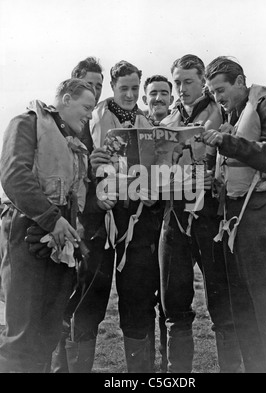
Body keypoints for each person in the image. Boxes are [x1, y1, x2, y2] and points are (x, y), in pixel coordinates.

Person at [203, 56, 266, 373]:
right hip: (236, 219)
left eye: (221, 89)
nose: (218, 98)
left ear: (241, 82)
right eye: (214, 93)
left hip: (263, 214)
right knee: (244, 312)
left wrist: (229, 143)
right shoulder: (231, 115)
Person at [0, 78, 96, 373]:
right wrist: (51, 219)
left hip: (59, 243)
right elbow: (14, 175)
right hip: (27, 233)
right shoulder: (27, 123)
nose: (90, 115)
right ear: (66, 99)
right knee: (23, 334)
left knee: (48, 331)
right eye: (86, 107)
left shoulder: (73, 142)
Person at [159, 54, 242, 373]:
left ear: (203, 81)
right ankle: (177, 377)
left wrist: (216, 177)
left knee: (224, 308)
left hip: (212, 219)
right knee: (174, 307)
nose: (181, 88)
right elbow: (153, 177)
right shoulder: (165, 123)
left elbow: (238, 160)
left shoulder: (223, 112)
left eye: (188, 81)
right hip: (175, 218)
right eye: (177, 82)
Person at [89, 60, 163, 373]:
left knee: (139, 289)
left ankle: (142, 370)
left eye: (135, 88)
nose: (130, 94)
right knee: (93, 295)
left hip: (141, 214)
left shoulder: (145, 120)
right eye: (124, 89)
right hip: (106, 213)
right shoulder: (98, 116)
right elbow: (94, 166)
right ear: (112, 87)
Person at [51, 57, 116, 373]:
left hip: (98, 229)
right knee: (65, 305)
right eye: (89, 85)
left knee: (91, 307)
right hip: (69, 227)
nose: (94, 93)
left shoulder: (98, 124)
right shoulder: (59, 126)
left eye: (99, 87)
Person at [142, 74, 174, 372]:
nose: (159, 99)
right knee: (141, 300)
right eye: (153, 94)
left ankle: (167, 368)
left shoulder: (179, 129)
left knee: (168, 301)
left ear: (171, 99)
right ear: (145, 99)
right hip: (140, 225)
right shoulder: (135, 131)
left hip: (171, 220)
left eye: (164, 93)